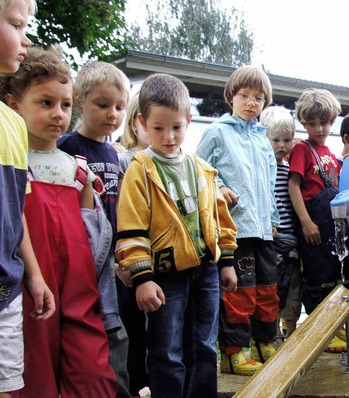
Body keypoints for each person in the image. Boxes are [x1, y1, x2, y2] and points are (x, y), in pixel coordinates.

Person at [1, 45, 119, 397]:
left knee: (90, 368)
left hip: (78, 290)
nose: (58, 114)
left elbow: (94, 235)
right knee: (34, 365)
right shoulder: (15, 164)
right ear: (13, 104)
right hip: (31, 283)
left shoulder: (76, 168)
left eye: (66, 105)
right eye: (45, 103)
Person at [116, 73, 238, 397]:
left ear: (188, 120)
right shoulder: (139, 169)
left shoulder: (201, 167)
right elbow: (131, 227)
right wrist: (142, 278)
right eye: (158, 128)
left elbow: (218, 217)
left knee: (204, 345)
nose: (168, 136)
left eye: (176, 127)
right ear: (141, 122)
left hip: (206, 271)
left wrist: (226, 260)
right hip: (165, 276)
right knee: (166, 350)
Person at [195, 65, 280, 376]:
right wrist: (220, 188)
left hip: (263, 231)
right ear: (231, 96)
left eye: (258, 98)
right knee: (239, 290)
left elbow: (269, 183)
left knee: (268, 288)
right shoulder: (218, 131)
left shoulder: (262, 139)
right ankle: (236, 350)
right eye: (245, 95)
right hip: (235, 229)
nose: (251, 103)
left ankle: (265, 340)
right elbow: (199, 171)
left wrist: (273, 217)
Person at [57, 60, 132, 398]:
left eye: (119, 107)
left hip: (116, 254)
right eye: (102, 105)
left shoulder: (115, 153)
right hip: (83, 253)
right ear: (80, 100)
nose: (112, 114)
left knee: (119, 329)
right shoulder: (66, 146)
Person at [0, 2, 55, 396]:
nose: (27, 37)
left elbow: (14, 210)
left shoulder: (12, 125)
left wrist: (33, 275)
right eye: (16, 24)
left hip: (7, 289)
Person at [288, 88, 349, 353]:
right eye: (313, 123)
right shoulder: (302, 150)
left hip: (332, 224)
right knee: (317, 279)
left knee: (334, 276)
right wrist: (306, 222)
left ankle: (334, 327)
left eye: (325, 122)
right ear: (303, 122)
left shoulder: (329, 152)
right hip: (313, 223)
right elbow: (294, 186)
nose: (320, 128)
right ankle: (320, 333)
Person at [115, 91, 150, 395]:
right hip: (135, 262)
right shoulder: (125, 161)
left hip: (163, 263)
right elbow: (122, 215)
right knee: (134, 331)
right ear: (137, 122)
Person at [260, 105, 301, 339]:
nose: (281, 145)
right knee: (274, 287)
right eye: (275, 139)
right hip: (272, 238)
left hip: (291, 238)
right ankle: (274, 332)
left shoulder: (288, 170)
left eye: (287, 139)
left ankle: (292, 330)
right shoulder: (262, 169)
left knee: (294, 287)